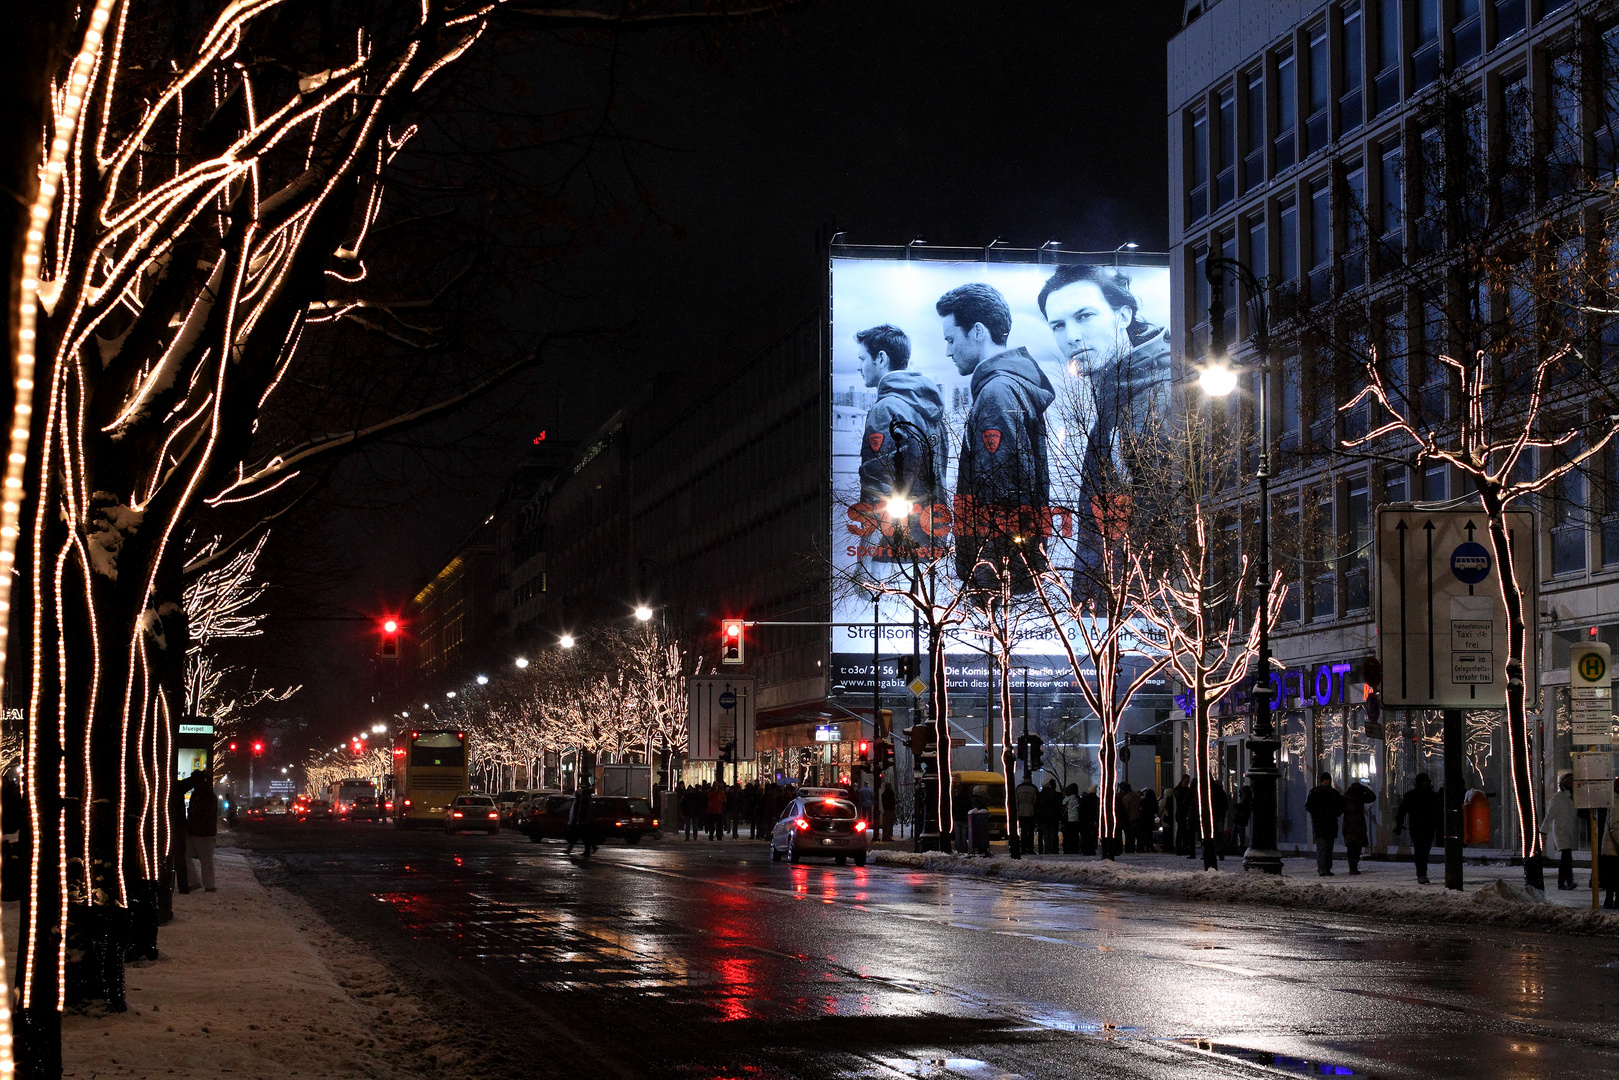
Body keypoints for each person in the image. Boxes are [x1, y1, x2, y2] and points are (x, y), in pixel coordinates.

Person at [1037, 263, 1172, 579]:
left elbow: (1160, 529)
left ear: (1123, 316)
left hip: (1136, 612)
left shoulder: (1151, 400)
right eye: (1058, 325)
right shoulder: (1120, 397)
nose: (1072, 336)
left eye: (1084, 316)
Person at [938, 283, 1054, 594]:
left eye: (951, 339)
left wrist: (987, 579)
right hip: (1011, 568)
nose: (948, 350)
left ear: (977, 331)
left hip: (997, 574)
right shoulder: (1009, 386)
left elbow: (999, 493)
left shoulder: (996, 393)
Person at [853, 324, 947, 577]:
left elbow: (879, 488)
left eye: (862, 359)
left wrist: (864, 557)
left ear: (881, 358)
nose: (859, 367)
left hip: (892, 552)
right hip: (929, 543)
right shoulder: (930, 409)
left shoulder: (885, 409)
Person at [1393, 773, 1442, 884]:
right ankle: (1422, 873)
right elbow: (1402, 811)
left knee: (1422, 851)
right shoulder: (1430, 796)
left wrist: (1399, 825)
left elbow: (1402, 811)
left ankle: (1421, 873)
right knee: (1422, 851)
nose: (1427, 783)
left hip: (1421, 827)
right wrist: (1399, 825)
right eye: (1425, 781)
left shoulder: (1413, 795)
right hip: (1422, 827)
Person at [1540, 771, 1579, 890]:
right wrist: (1543, 831)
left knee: (1567, 858)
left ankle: (1565, 882)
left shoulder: (1573, 797)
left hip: (1568, 830)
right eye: (1569, 781)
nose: (1571, 783)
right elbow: (1550, 815)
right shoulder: (1558, 798)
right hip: (1561, 831)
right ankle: (1564, 883)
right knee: (1566, 858)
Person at [1304, 772, 1345, 876]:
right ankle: (1325, 867)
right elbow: (1340, 807)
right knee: (1327, 847)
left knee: (1323, 847)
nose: (1327, 781)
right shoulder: (1334, 793)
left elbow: (1309, 806)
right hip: (1329, 823)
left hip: (1320, 824)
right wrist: (1334, 813)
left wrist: (1317, 814)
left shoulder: (1315, 792)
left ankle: (1323, 867)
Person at [184, 769, 218, 892]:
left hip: (200, 832)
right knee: (206, 860)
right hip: (203, 832)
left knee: (193, 857)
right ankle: (208, 885)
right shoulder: (207, 794)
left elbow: (200, 814)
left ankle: (196, 882)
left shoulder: (199, 795)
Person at [1341, 777, 1376, 875]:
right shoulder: (1360, 799)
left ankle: (1352, 867)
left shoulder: (1345, 798)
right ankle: (1354, 867)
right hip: (1359, 825)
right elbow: (1372, 797)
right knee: (1357, 848)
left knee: (1351, 848)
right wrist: (1365, 788)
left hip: (1349, 825)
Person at [566, 779, 596, 857]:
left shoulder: (583, 799)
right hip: (581, 819)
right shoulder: (584, 798)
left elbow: (581, 810)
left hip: (582, 819)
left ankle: (587, 849)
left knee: (580, 835)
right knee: (582, 835)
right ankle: (590, 848)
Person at [1602, 778, 1619, 909]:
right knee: (1614, 877)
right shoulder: (1616, 803)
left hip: (1613, 848)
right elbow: (1616, 827)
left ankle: (1611, 901)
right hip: (1614, 849)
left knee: (1613, 877)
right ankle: (1610, 901)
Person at [1013, 775, 1038, 856]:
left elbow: (1016, 801)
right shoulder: (1034, 788)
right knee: (1030, 832)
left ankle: (1023, 848)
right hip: (1031, 812)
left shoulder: (1018, 788)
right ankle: (1030, 848)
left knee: (1023, 831)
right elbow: (1035, 801)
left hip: (1021, 812)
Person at [1035, 778, 1061, 855]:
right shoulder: (1055, 795)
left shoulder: (1040, 795)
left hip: (1042, 817)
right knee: (1052, 833)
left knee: (1044, 834)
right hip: (1053, 817)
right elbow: (1058, 806)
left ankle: (1044, 849)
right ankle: (1052, 849)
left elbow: (1036, 806)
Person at [1079, 785, 1100, 855]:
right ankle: (1092, 849)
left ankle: (1085, 849)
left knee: (1086, 836)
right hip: (1093, 821)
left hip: (1085, 821)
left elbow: (1080, 810)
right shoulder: (1097, 800)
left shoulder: (1085, 800)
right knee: (1093, 836)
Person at [1120, 783, 1142, 853]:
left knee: (1130, 836)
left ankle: (1130, 849)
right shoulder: (1137, 796)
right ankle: (1139, 848)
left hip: (1130, 818)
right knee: (1138, 835)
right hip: (1138, 817)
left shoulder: (1126, 798)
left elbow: (1125, 809)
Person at [1232, 784, 1253, 851]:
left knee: (1239, 832)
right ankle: (1238, 845)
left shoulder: (1245, 802)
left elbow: (1243, 808)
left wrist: (1238, 808)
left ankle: (1239, 846)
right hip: (1240, 818)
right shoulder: (1246, 801)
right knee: (1238, 832)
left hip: (1241, 818)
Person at [1062, 783, 1081, 854]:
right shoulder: (1078, 799)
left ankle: (1068, 849)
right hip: (1076, 819)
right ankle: (1075, 848)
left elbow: (1063, 810)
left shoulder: (1066, 800)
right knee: (1075, 836)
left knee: (1067, 836)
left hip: (1068, 820)